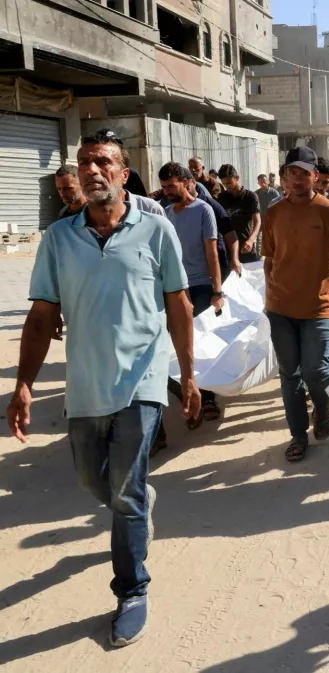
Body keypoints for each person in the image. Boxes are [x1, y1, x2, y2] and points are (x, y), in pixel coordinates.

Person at [6, 130, 198, 647]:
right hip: (87, 383)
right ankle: (137, 499)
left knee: (125, 490)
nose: (93, 171)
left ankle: (132, 589)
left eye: (104, 163)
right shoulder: (58, 238)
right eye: (85, 162)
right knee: (96, 484)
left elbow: (178, 304)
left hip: (144, 378)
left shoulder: (156, 231)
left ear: (123, 171)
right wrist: (23, 384)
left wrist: (189, 373)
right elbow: (42, 315)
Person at [262, 146, 329, 461]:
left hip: (319, 307)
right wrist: (273, 293)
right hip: (280, 308)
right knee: (289, 374)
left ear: (315, 176)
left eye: (304, 173)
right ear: (285, 176)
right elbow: (269, 259)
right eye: (291, 172)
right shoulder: (274, 212)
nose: (297, 179)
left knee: (316, 372)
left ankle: (321, 406)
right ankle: (297, 436)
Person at [160, 162, 225, 426]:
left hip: (200, 286)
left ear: (186, 182)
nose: (167, 191)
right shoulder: (164, 213)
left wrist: (217, 290)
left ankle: (205, 398)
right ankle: (189, 397)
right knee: (175, 348)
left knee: (195, 345)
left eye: (171, 186)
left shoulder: (203, 210)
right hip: (174, 288)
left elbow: (212, 252)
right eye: (164, 187)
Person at [217, 164, 262, 264]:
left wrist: (251, 240)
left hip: (246, 248)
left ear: (236, 178)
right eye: (224, 184)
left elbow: (257, 222)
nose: (227, 187)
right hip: (228, 249)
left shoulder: (250, 196)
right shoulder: (222, 198)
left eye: (229, 183)